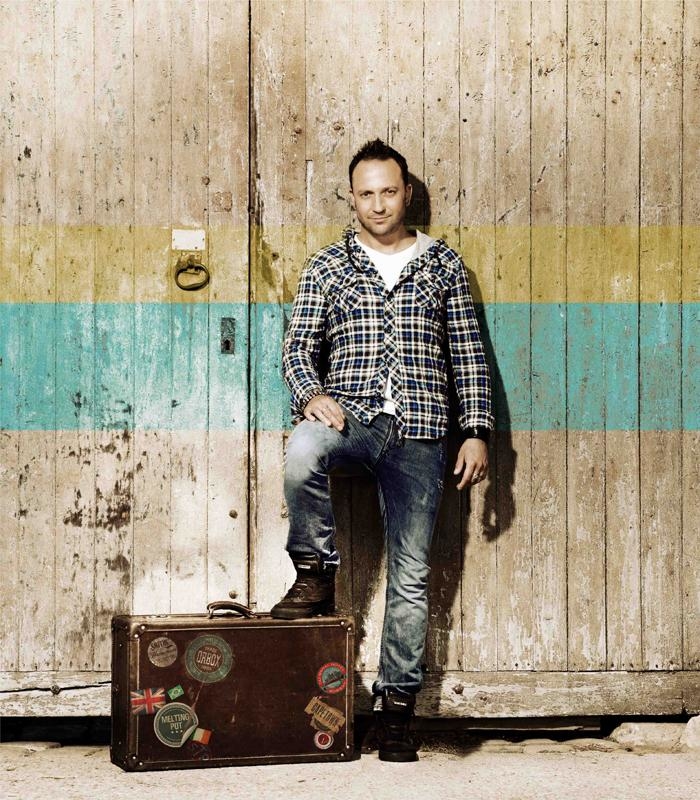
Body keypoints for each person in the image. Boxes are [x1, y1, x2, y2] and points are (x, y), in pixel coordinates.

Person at [270, 139, 493, 761]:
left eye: (388, 192)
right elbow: (297, 348)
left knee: (411, 574)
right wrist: (313, 393)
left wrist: (476, 430)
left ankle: (396, 712)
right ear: (352, 197)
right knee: (302, 451)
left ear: (407, 193)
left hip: (422, 429)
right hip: (353, 417)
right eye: (366, 194)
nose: (377, 204)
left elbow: (468, 353)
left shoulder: (444, 265)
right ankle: (314, 573)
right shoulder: (328, 265)